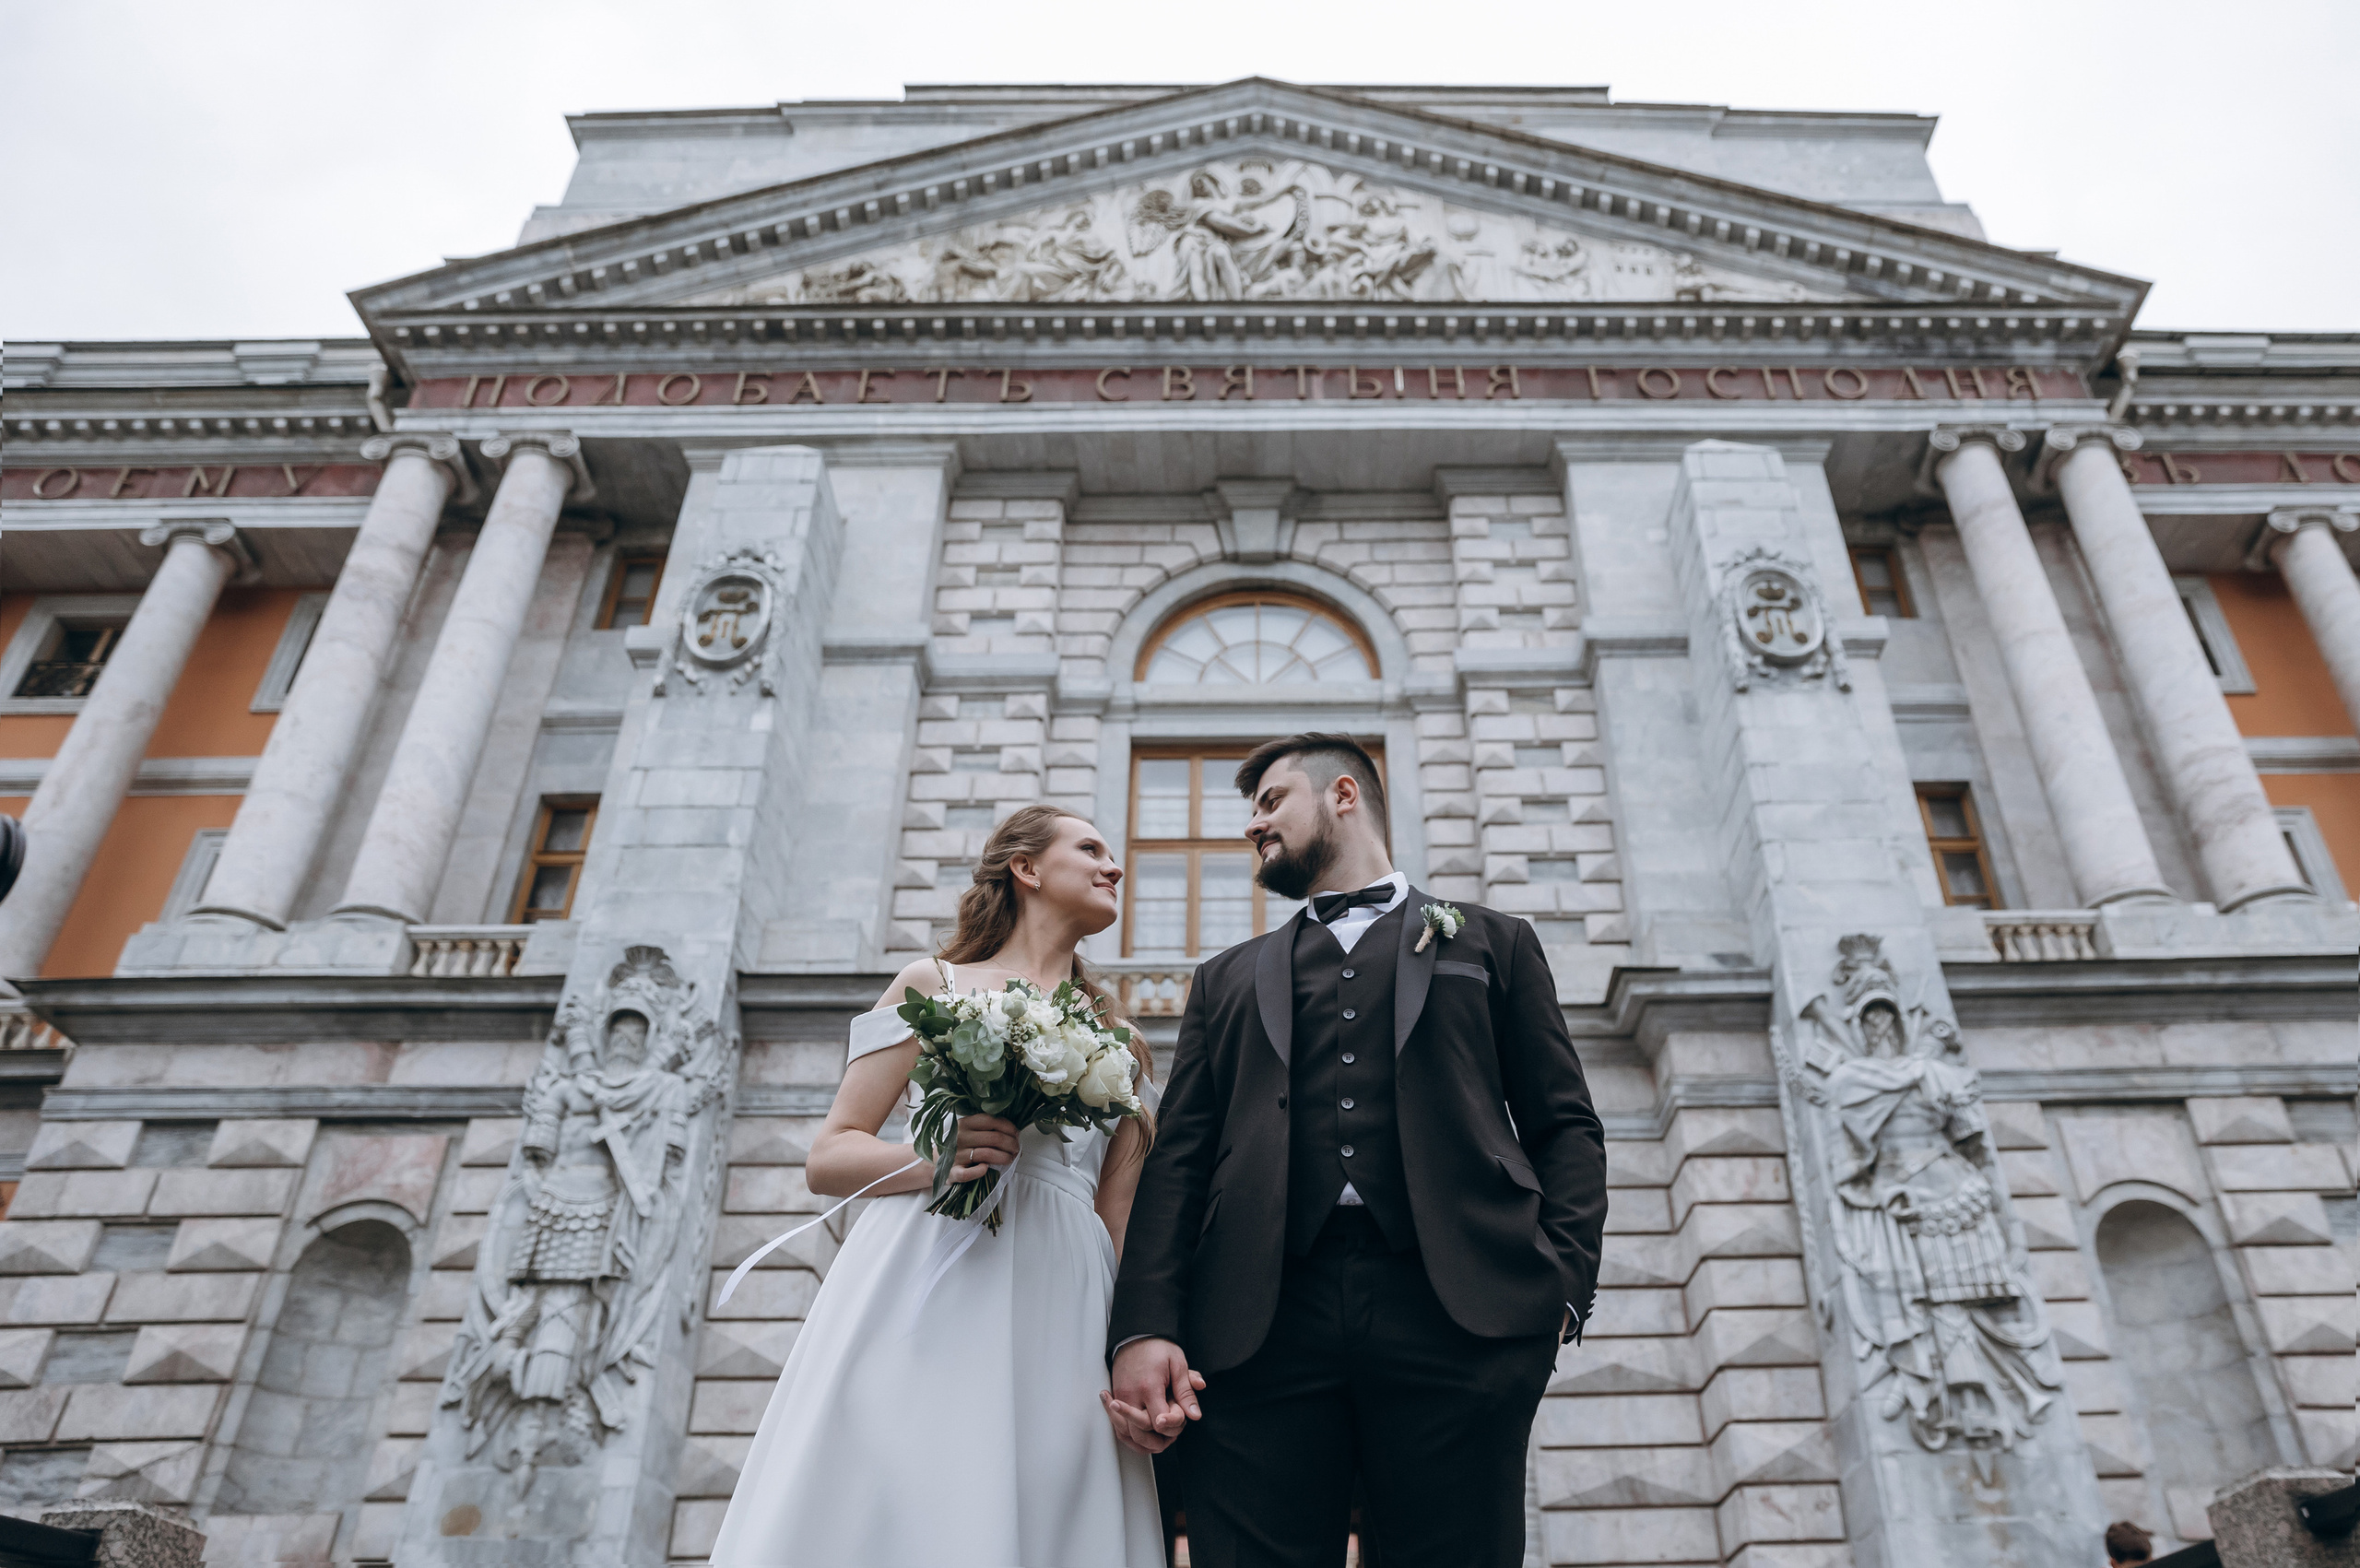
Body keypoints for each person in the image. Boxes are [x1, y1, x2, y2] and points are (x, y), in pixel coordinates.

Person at [1104, 732, 1610, 1567]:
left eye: (1270, 802)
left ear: (1343, 794)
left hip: (1460, 1315)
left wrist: (1558, 1290)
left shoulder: (1494, 942)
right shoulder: (1225, 978)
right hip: (1255, 1322)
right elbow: (1180, 1160)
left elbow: (1565, 1127)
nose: (1253, 826)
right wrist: (1145, 1325)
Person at [709, 805, 1167, 1567]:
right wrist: (936, 1160)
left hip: (1064, 1294)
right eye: (1090, 848)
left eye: (1113, 854)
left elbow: (1115, 1221)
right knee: (908, 1485)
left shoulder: (1123, 1047)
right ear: (1026, 868)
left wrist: (1132, 1347)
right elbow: (829, 1155)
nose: (1113, 865)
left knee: (1045, 1500)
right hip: (926, 1267)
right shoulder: (933, 983)